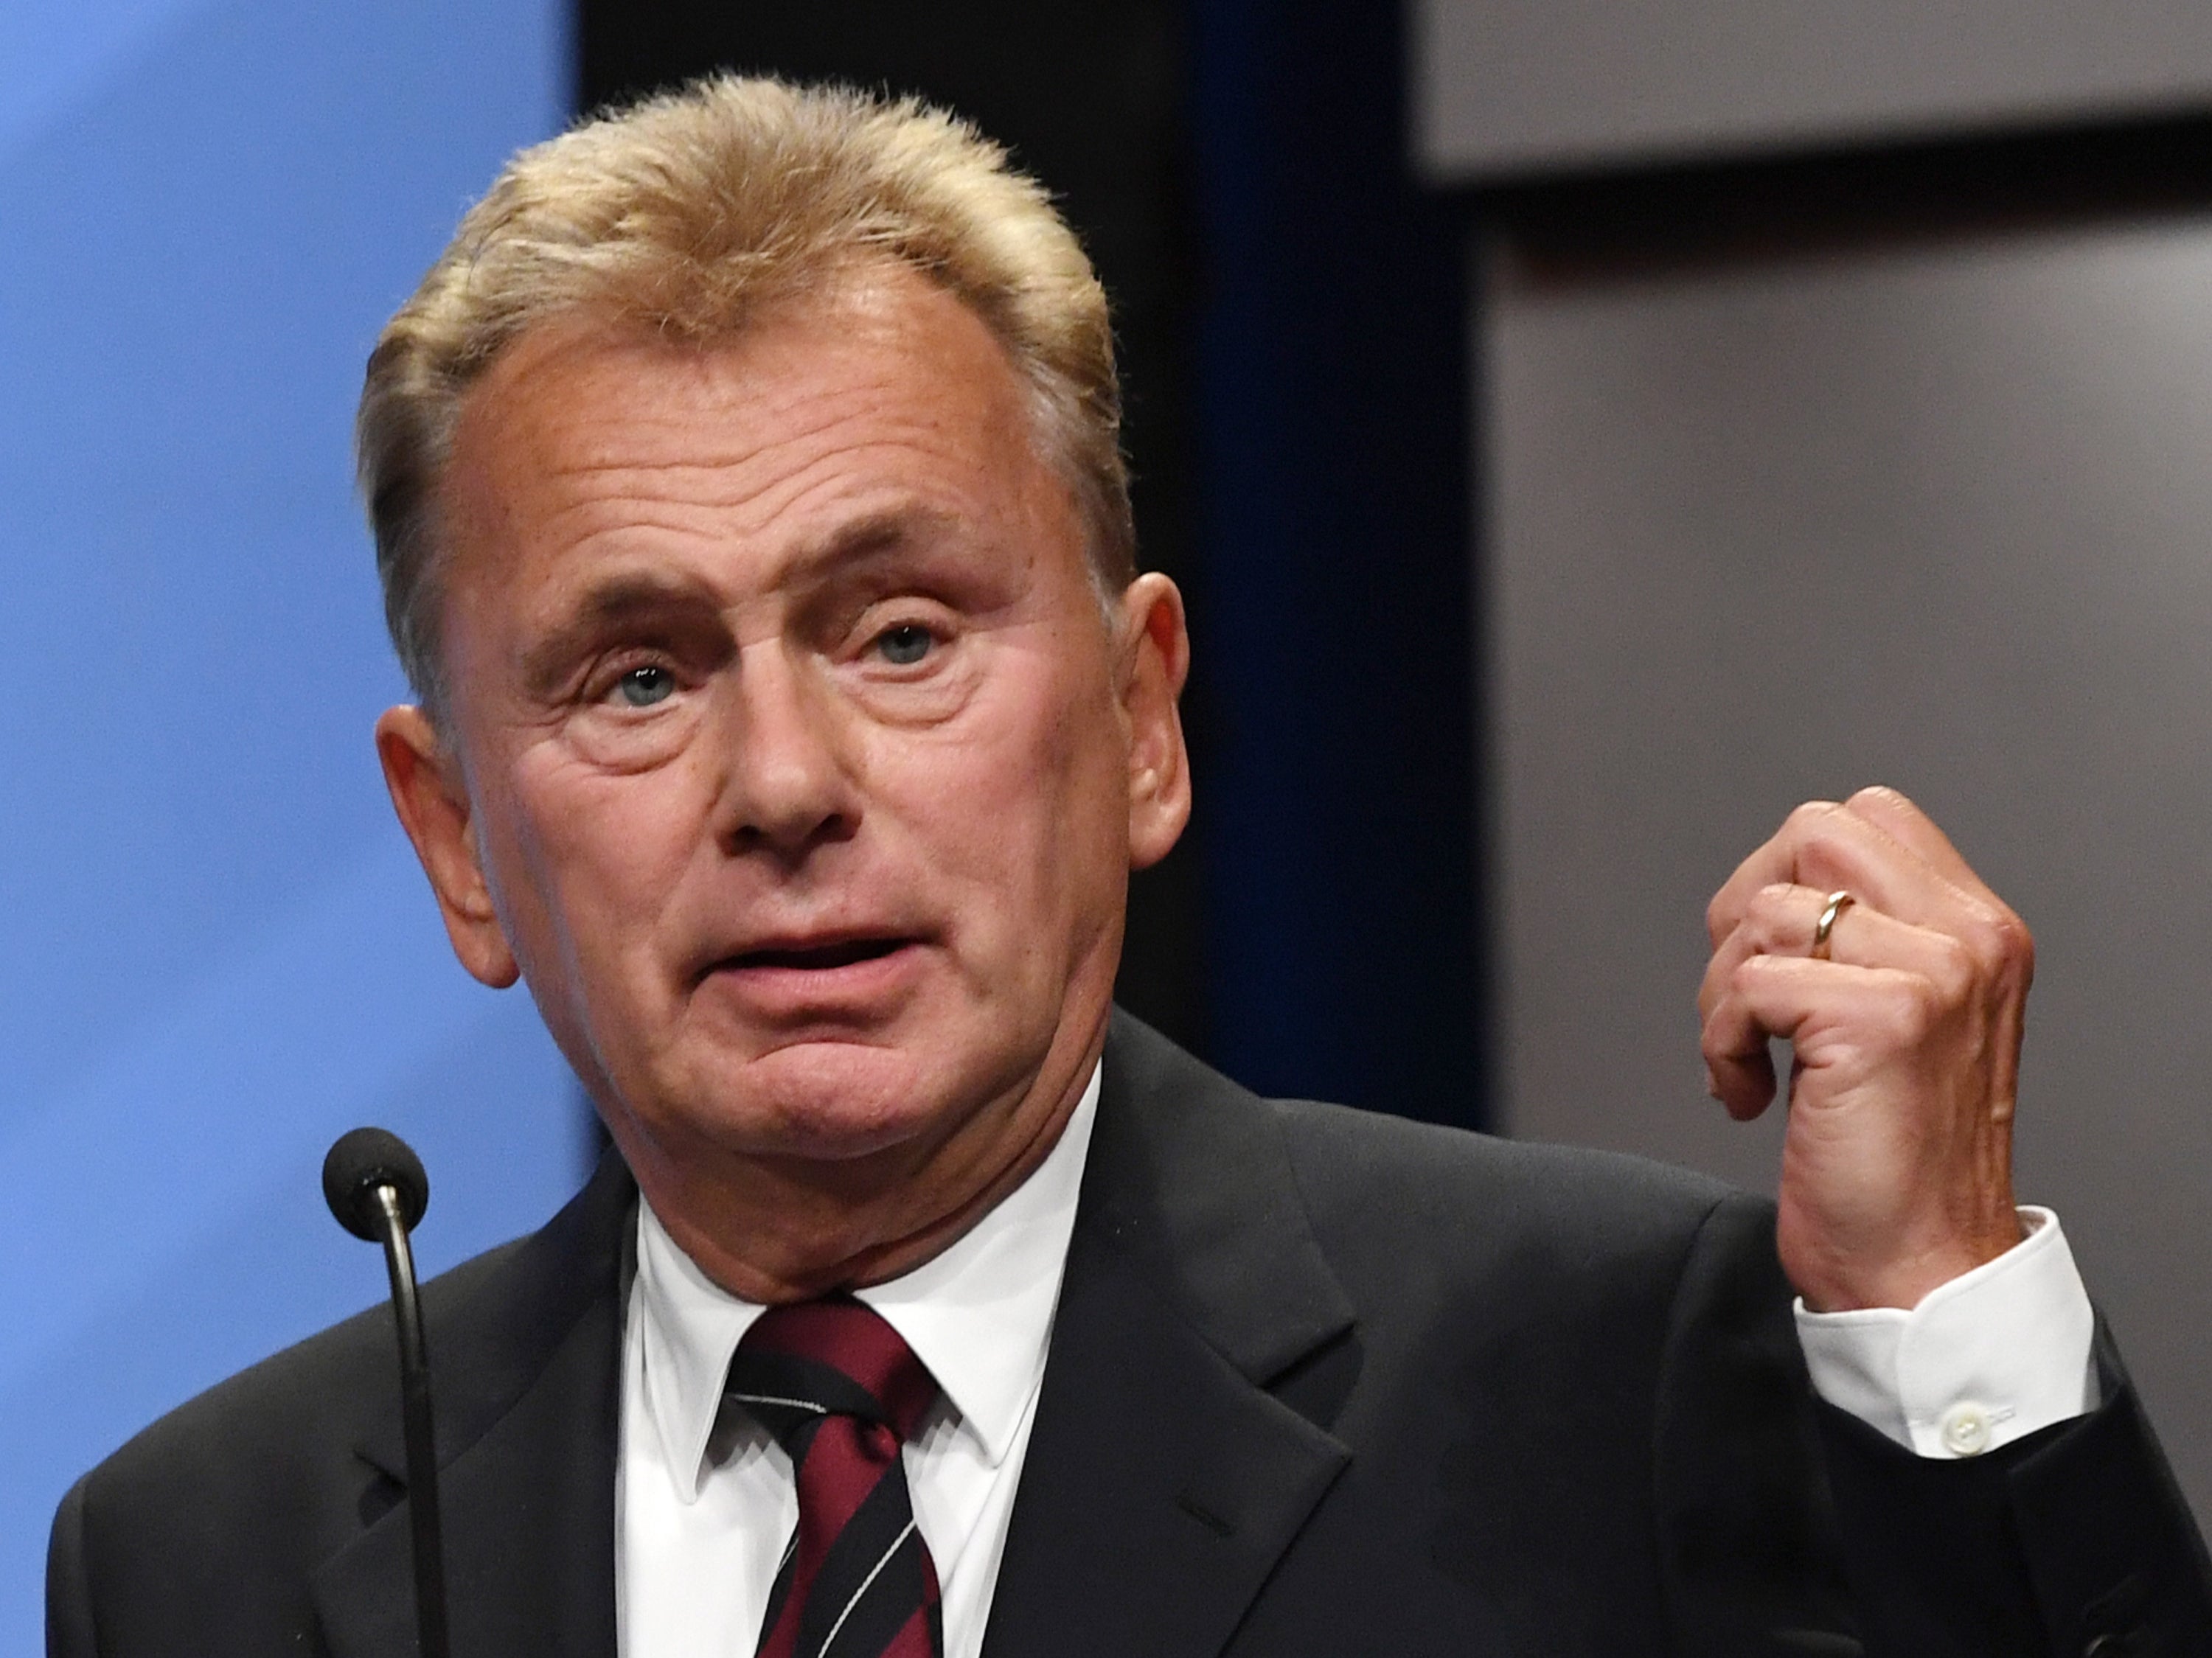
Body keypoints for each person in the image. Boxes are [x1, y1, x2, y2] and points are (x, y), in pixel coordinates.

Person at [46, 74, 2212, 1658]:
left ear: (1143, 714)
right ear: (460, 844)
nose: (785, 779)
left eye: (901, 632)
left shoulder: (1597, 1382)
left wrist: (1942, 1306)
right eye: (635, 675)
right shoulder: (206, 1558)